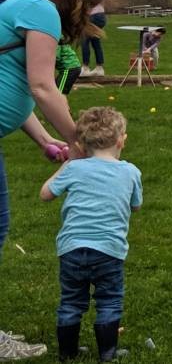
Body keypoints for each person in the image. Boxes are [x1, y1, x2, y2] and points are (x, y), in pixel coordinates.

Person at [0, 0, 107, 360]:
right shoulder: (41, 9)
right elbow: (43, 87)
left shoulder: (25, 3)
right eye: (91, 3)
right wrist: (78, 144)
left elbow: (13, 86)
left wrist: (45, 139)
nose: (90, 14)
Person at [39, 107, 141, 363]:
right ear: (121, 141)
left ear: (82, 145)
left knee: (71, 301)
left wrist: (69, 163)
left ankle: (67, 353)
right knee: (109, 300)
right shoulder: (130, 172)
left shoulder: (74, 169)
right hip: (109, 250)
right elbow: (136, 205)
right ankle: (108, 353)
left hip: (71, 249)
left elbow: (45, 194)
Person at [80, 3, 105, 76]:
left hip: (92, 16)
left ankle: (85, 68)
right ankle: (99, 68)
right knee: (96, 42)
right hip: (101, 16)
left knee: (84, 41)